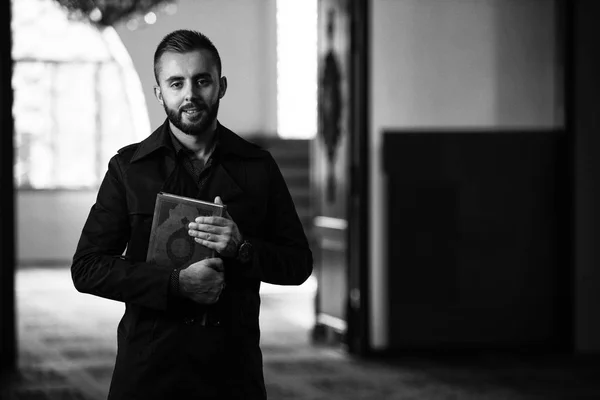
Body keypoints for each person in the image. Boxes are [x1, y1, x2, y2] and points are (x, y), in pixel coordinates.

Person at [71, 29, 313, 399]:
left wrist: (242, 248)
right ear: (159, 93)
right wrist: (176, 284)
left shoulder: (258, 166)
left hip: (232, 372)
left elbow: (298, 265)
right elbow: (86, 268)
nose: (190, 94)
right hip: (149, 368)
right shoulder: (128, 168)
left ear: (221, 85)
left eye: (202, 81)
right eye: (176, 83)